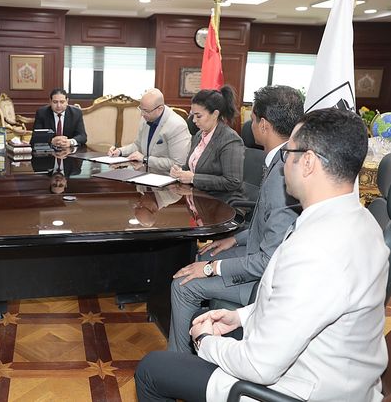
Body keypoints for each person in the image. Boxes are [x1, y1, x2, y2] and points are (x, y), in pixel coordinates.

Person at [135, 108, 389, 401]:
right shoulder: (363, 222)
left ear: (307, 162)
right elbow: (296, 305)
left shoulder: (317, 252)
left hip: (296, 389)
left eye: (288, 153)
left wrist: (204, 342)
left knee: (152, 369)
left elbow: (259, 366)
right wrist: (240, 317)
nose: (283, 163)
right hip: (334, 374)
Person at [168, 85, 304, 353]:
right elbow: (268, 226)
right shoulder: (284, 159)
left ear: (263, 124)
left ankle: (178, 363)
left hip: (264, 282)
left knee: (182, 285)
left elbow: (268, 260)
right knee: (204, 255)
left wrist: (211, 269)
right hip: (257, 251)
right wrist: (234, 239)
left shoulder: (284, 173)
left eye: (251, 118)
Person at [170, 86, 244, 205]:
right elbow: (193, 167)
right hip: (197, 199)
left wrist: (193, 178)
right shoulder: (199, 134)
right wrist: (180, 171)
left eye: (198, 116)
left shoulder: (230, 139)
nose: (194, 120)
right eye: (192, 115)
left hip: (218, 204)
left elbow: (233, 182)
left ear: (215, 114)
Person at [108, 88, 190, 174]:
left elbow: (177, 164)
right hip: (142, 175)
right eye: (141, 109)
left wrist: (146, 159)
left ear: (160, 109)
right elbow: (138, 145)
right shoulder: (146, 117)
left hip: (166, 178)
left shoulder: (177, 126)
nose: (142, 114)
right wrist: (120, 152)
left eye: (146, 111)